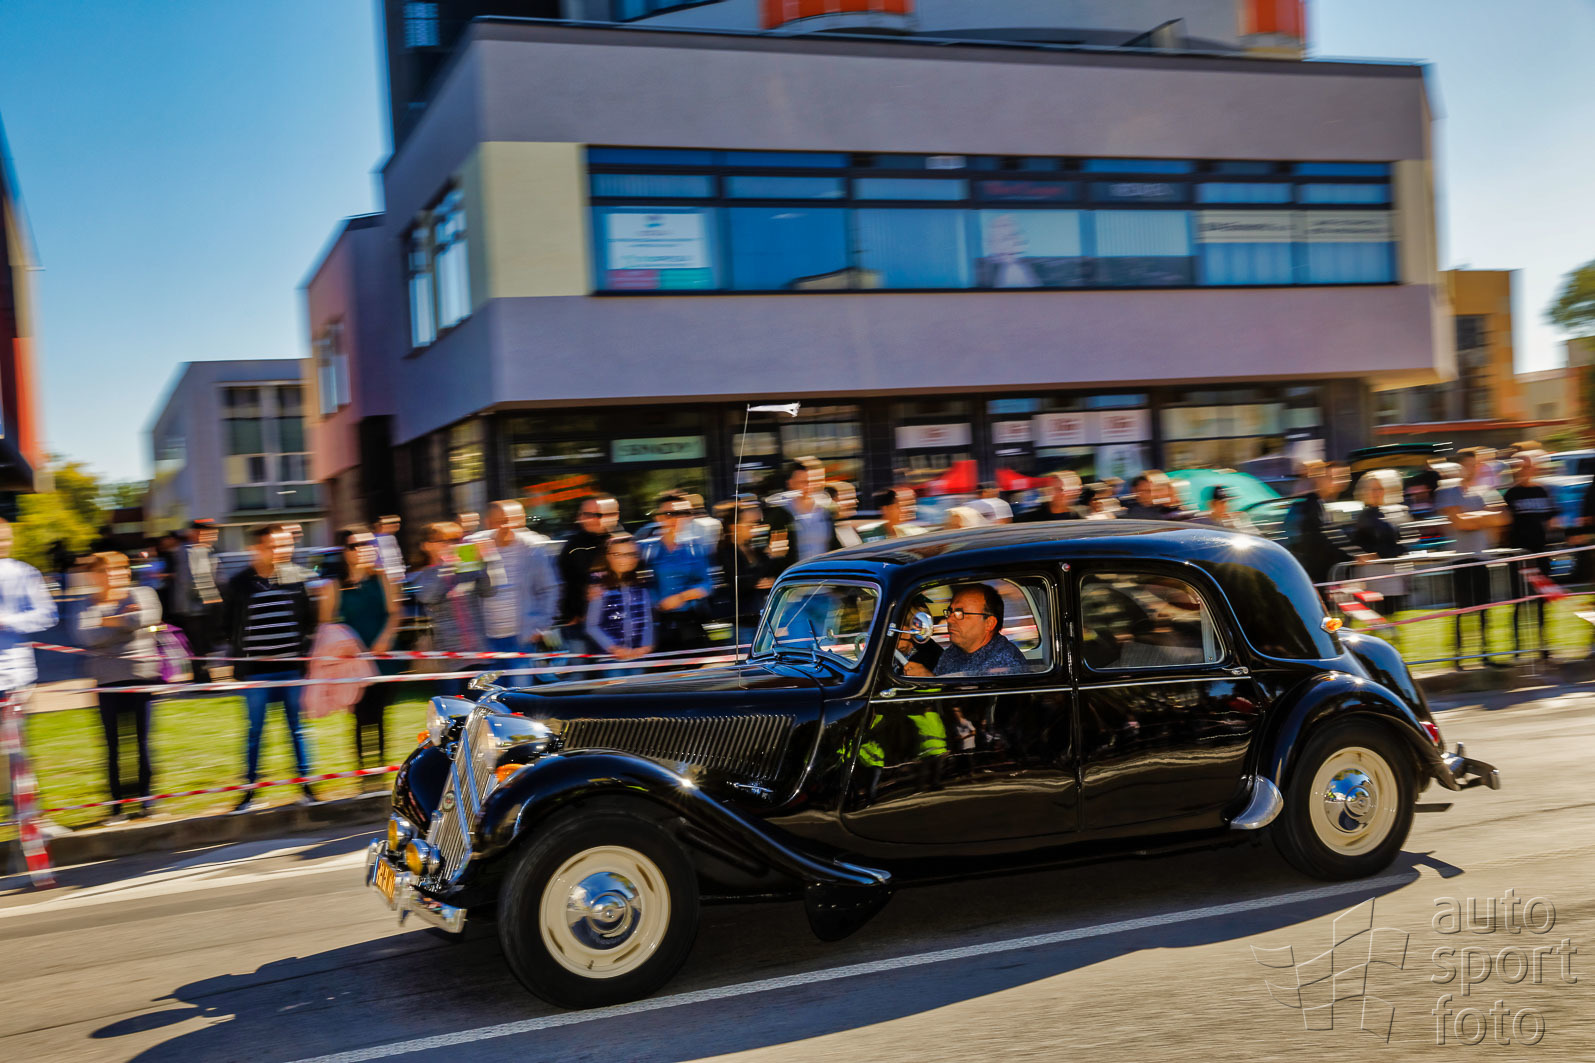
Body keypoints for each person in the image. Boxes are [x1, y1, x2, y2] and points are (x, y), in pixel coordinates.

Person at [223, 524, 321, 811]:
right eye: (272, 546)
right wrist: (238, 661)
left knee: (297, 730)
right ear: (255, 548)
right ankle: (250, 792)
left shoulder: (297, 579)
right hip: (256, 672)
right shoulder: (239, 584)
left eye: (285, 545)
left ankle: (307, 788)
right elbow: (228, 625)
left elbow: (308, 621)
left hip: (292, 669)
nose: (280, 551)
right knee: (255, 732)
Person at [76, 552, 163, 820]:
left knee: (142, 742)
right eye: (104, 571)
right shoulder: (86, 604)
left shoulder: (143, 593)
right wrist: (123, 620)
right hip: (106, 683)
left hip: (140, 678)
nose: (112, 575)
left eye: (118, 569)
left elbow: (145, 619)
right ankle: (116, 807)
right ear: (94, 576)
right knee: (112, 747)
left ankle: (146, 802)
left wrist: (106, 621)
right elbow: (88, 636)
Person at [323, 526, 401, 781]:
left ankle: (379, 771)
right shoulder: (335, 586)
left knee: (379, 715)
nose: (363, 550)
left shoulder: (382, 579)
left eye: (368, 544)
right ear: (345, 552)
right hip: (352, 664)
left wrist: (385, 638)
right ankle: (363, 772)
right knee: (359, 717)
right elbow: (326, 626)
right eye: (355, 546)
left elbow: (395, 613)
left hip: (381, 659)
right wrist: (343, 647)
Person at [1435, 449, 1511, 668]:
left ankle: (1486, 656)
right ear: (1460, 467)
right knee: (1462, 610)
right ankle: (1458, 658)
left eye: (1474, 465)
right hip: (1460, 559)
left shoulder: (1482, 492)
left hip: (1481, 557)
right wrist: (1484, 518)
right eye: (1468, 465)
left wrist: (1474, 518)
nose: (1472, 469)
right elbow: (1460, 523)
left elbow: (1503, 519)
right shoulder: (1448, 492)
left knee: (1484, 609)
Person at [413, 521, 504, 686]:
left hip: (479, 653)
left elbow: (489, 591)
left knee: (483, 701)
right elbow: (428, 596)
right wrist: (450, 565)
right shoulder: (425, 574)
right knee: (453, 702)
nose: (452, 545)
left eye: (456, 540)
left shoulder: (467, 569)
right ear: (427, 546)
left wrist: (486, 561)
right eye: (444, 541)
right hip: (449, 660)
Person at [470, 500, 559, 653]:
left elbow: (549, 589)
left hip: (523, 637)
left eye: (510, 521)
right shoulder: (473, 544)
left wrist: (541, 626)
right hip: (486, 638)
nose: (505, 526)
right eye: (499, 521)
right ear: (488, 522)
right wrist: (475, 560)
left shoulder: (534, 548)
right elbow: (463, 586)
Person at [1502, 451, 1559, 658]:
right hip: (1520, 556)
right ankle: (1518, 648)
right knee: (1519, 601)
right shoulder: (1510, 494)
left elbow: (1552, 520)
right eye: (1522, 467)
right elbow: (1504, 525)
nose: (1526, 470)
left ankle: (1544, 647)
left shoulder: (1542, 491)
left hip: (1541, 554)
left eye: (1529, 466)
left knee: (1543, 602)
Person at [641, 494, 714, 651]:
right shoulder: (646, 549)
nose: (676, 519)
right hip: (657, 625)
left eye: (683, 513)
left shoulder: (696, 548)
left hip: (690, 622)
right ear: (658, 517)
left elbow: (707, 584)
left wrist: (681, 597)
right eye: (669, 514)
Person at [0, 517, 57, 703]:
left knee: (10, 724)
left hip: (12, 676)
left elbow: (48, 614)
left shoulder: (24, 573)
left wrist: (7, 621)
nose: (2, 544)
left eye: (5, 539)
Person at [918, 584, 1027, 677]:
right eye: (950, 612)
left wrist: (931, 680)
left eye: (960, 613)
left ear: (989, 623)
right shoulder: (952, 653)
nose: (949, 619)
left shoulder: (1004, 664)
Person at [584, 533, 654, 675]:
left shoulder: (641, 586)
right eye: (617, 554)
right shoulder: (599, 588)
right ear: (608, 557)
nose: (624, 559)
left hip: (637, 656)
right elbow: (591, 626)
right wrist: (613, 648)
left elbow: (647, 620)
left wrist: (646, 645)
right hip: (611, 660)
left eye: (630, 554)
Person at [557, 495, 618, 649]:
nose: (593, 519)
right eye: (587, 514)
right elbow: (562, 584)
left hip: (615, 622)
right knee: (580, 664)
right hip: (579, 625)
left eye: (598, 514)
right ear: (579, 517)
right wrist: (570, 616)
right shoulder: (571, 547)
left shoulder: (621, 543)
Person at [1283, 461, 1354, 587]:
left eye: (1342, 477)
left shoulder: (1323, 504)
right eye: (1331, 478)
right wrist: (1352, 556)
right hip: (1313, 574)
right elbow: (1316, 540)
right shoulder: (1309, 505)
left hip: (1321, 573)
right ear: (1319, 479)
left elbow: (1334, 535)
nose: (1337, 482)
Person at [170, 518, 223, 681]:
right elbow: (188, 580)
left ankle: (204, 677)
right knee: (197, 645)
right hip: (193, 609)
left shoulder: (206, 550)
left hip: (202, 607)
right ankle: (201, 679)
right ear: (196, 533)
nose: (213, 537)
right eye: (210, 533)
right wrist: (209, 596)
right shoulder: (187, 551)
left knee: (203, 645)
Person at [717, 497, 774, 644]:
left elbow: (769, 574)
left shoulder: (755, 549)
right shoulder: (727, 552)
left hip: (762, 618)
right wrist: (759, 580)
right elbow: (740, 582)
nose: (752, 528)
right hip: (742, 621)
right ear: (734, 527)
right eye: (748, 524)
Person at [766, 458, 836, 573]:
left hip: (825, 576)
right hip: (796, 578)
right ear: (790, 483)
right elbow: (776, 554)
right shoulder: (781, 515)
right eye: (802, 482)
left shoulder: (825, 511)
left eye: (811, 482)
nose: (808, 487)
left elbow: (834, 545)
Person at [1350, 470, 1408, 560]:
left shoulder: (1385, 513)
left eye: (1380, 489)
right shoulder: (1365, 518)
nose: (1377, 493)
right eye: (1373, 490)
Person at [859, 488, 926, 541]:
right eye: (901, 506)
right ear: (886, 509)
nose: (909, 510)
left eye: (912, 505)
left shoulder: (915, 532)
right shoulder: (870, 536)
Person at [1019, 471, 1084, 522]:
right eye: (1058, 489)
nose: (1062, 493)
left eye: (1066, 490)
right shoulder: (1031, 517)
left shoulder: (1076, 518)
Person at [373, 515, 407, 589]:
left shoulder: (390, 538)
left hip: (395, 577)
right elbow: (377, 562)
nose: (397, 525)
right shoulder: (376, 539)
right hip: (387, 579)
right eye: (393, 523)